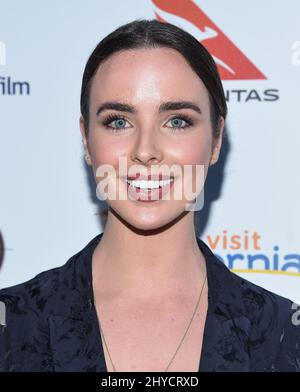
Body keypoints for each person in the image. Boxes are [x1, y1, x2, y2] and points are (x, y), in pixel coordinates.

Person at [0, 18, 300, 373]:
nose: (145, 150)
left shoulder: (283, 337)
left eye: (177, 121)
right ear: (86, 140)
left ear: (216, 138)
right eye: (118, 121)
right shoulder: (11, 325)